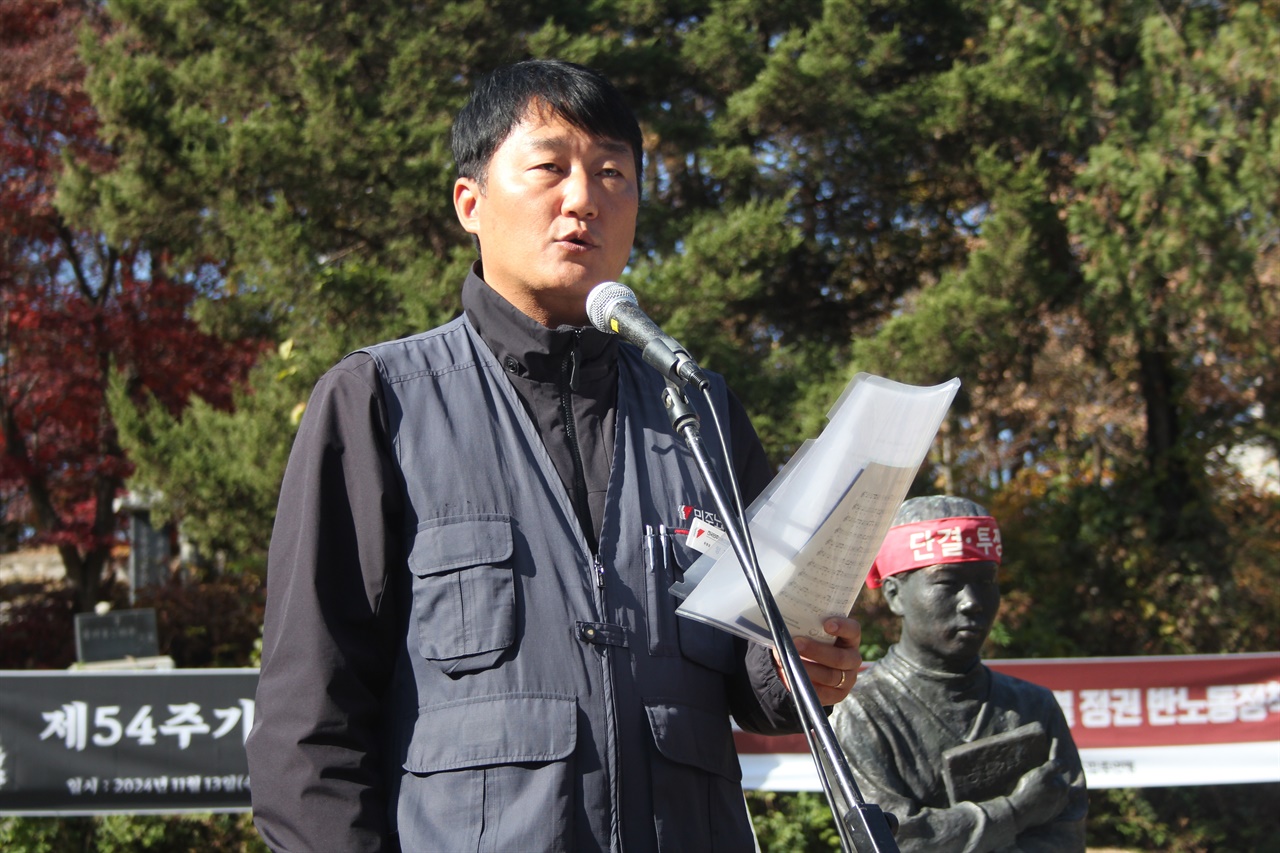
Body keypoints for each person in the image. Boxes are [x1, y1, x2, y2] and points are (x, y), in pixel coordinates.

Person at [245, 58, 862, 853]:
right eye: (549, 168)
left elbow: (754, 680)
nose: (584, 199)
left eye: (614, 174)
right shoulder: (378, 401)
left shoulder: (696, 407)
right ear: (470, 202)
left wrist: (804, 668)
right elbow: (308, 724)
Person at [831, 496, 1087, 852]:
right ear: (894, 595)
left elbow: (1064, 835)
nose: (973, 601)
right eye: (948, 582)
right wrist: (1015, 811)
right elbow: (888, 840)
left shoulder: (1033, 707)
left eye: (986, 580)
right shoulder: (860, 711)